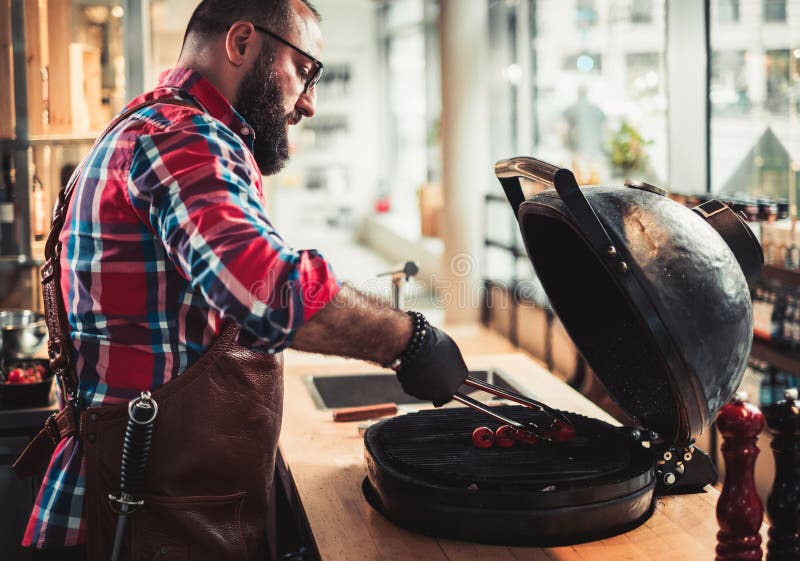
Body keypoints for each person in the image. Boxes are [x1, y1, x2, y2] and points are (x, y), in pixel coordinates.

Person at [19, 1, 469, 559]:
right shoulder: (186, 138)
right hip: (151, 521)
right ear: (240, 43)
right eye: (305, 72)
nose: (308, 103)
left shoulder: (143, 125)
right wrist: (412, 340)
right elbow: (268, 289)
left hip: (139, 498)